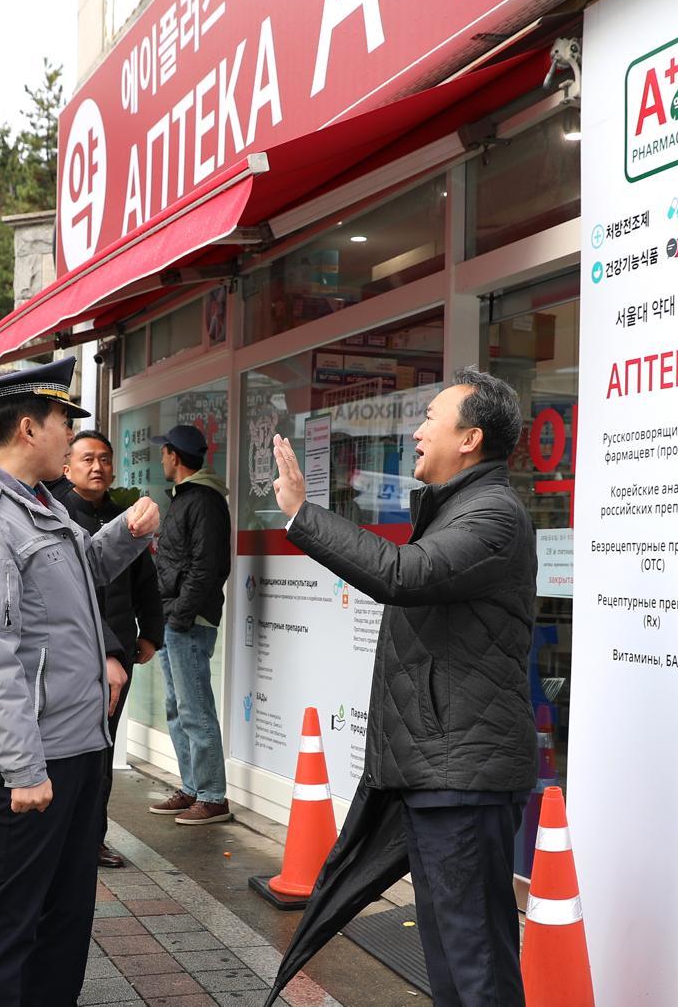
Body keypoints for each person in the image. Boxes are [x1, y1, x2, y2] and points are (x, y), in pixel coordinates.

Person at [264, 368, 538, 1006]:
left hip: (462, 777)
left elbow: (402, 574)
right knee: (450, 959)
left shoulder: (493, 514)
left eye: (429, 420)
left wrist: (305, 514)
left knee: (476, 966)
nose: (415, 432)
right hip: (436, 771)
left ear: (469, 439)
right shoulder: (461, 508)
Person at [0, 359, 158, 1006]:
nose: (73, 437)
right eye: (65, 422)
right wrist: (22, 767)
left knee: (64, 919)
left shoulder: (36, 506)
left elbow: (76, 574)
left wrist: (125, 535)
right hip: (34, 761)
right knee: (8, 928)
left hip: (77, 744)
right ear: (29, 428)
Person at [48, 430, 166, 867]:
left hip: (121, 655)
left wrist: (151, 632)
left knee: (106, 749)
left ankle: (93, 837)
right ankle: (64, 835)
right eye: (86, 459)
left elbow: (145, 581)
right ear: (66, 467)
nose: (97, 467)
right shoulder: (57, 515)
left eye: (104, 459)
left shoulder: (124, 516)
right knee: (73, 750)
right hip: (78, 653)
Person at [146, 423, 232, 826]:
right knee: (178, 708)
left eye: (163, 452)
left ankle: (213, 796)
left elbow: (207, 567)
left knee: (195, 709)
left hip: (188, 622)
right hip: (173, 618)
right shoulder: (186, 498)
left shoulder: (204, 501)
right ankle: (193, 788)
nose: (161, 458)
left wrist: (179, 616)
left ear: (174, 456)